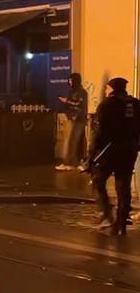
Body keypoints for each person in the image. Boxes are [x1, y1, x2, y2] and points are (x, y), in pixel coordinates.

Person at [89, 77, 140, 235]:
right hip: (129, 150)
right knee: (123, 186)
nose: (105, 90)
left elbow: (100, 132)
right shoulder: (135, 103)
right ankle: (121, 223)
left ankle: (107, 215)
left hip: (110, 150)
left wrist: (91, 154)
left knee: (98, 180)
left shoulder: (107, 105)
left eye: (107, 87)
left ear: (112, 89)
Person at [57, 73, 89, 171]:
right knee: (70, 141)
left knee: (74, 141)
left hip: (79, 119)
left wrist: (66, 101)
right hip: (71, 118)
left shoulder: (82, 92)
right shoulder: (72, 92)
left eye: (71, 80)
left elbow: (79, 104)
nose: (69, 82)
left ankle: (73, 162)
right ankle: (70, 162)